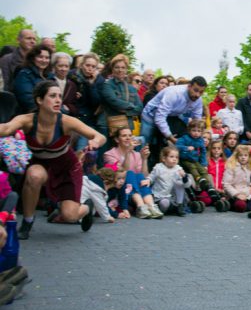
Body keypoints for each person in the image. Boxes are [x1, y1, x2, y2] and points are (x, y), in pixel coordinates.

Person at [0, 81, 106, 239]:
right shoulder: (27, 120)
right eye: (52, 96)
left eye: (59, 96)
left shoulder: (67, 122)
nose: (58, 100)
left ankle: (85, 208)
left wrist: (95, 141)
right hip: (41, 164)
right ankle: (27, 223)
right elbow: (6, 128)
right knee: (34, 175)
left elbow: (100, 136)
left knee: (69, 216)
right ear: (39, 100)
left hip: (66, 169)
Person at [103, 127, 163, 219]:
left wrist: (144, 159)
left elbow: (144, 176)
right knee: (130, 173)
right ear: (116, 139)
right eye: (124, 136)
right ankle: (140, 206)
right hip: (120, 191)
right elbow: (122, 173)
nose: (128, 138)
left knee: (139, 176)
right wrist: (127, 152)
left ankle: (151, 206)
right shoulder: (109, 154)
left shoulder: (137, 154)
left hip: (135, 191)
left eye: (130, 136)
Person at [140, 76, 207, 148]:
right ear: (189, 86)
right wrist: (170, 137)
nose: (198, 95)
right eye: (196, 90)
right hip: (150, 115)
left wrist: (199, 137)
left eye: (201, 92)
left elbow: (197, 121)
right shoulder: (174, 93)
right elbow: (160, 117)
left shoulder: (198, 100)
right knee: (145, 142)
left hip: (170, 116)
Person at [98, 54, 143, 140]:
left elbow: (140, 107)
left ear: (126, 70)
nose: (120, 70)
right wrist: (131, 106)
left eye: (123, 67)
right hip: (107, 125)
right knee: (106, 153)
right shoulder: (107, 85)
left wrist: (125, 111)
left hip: (127, 126)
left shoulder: (131, 88)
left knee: (125, 153)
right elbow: (114, 102)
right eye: (117, 67)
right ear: (112, 69)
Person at [148, 146, 190, 216]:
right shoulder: (159, 167)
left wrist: (184, 177)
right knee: (165, 203)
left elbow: (186, 185)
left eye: (176, 157)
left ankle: (179, 206)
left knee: (180, 184)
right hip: (160, 196)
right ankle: (164, 209)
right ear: (164, 158)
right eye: (171, 157)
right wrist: (148, 180)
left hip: (173, 197)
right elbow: (151, 177)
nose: (174, 159)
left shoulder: (178, 168)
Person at [12, 45, 53, 113]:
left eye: (47, 58)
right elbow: (27, 100)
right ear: (33, 58)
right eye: (40, 57)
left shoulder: (51, 76)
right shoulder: (24, 74)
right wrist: (45, 112)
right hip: (30, 115)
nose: (44, 60)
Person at [175, 119, 210, 192]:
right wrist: (186, 148)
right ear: (189, 130)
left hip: (195, 160)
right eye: (194, 130)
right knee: (192, 167)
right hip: (185, 160)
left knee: (203, 170)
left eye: (199, 131)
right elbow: (177, 146)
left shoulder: (200, 140)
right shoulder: (185, 138)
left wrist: (204, 164)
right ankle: (199, 180)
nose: (196, 133)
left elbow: (203, 153)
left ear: (201, 132)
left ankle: (208, 185)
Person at [222, 144, 251, 213]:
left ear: (249, 157)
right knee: (241, 206)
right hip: (234, 194)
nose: (243, 158)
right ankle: (226, 202)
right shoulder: (231, 167)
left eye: (245, 155)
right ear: (236, 156)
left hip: (247, 194)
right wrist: (237, 194)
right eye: (241, 155)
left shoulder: (250, 167)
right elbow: (226, 184)